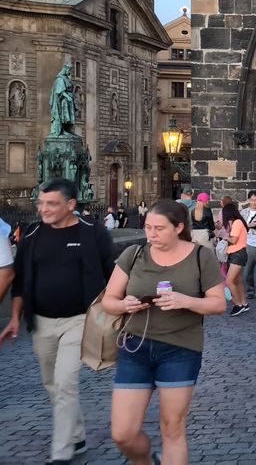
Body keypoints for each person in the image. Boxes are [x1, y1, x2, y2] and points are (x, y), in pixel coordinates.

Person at [0, 178, 115, 465]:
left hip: (80, 320)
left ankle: (61, 452)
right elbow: (21, 282)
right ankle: (76, 435)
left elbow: (112, 274)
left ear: (71, 205)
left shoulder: (93, 233)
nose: (43, 209)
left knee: (65, 382)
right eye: (41, 203)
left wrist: (114, 312)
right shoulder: (32, 233)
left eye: (51, 204)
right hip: (41, 322)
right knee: (51, 383)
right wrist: (15, 317)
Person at [101, 199, 226, 464]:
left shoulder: (201, 257)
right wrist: (123, 304)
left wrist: (186, 301)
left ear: (178, 227)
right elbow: (108, 301)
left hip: (180, 350)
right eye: (148, 227)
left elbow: (218, 303)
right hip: (135, 348)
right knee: (122, 433)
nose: (151, 234)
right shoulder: (133, 255)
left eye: (159, 228)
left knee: (172, 428)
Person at [222, 203, 250, 315]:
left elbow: (234, 240)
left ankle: (238, 305)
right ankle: (244, 303)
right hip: (238, 254)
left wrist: (225, 237)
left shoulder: (237, 223)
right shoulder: (237, 222)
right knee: (238, 281)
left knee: (229, 281)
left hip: (237, 254)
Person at [240, 191, 256, 300]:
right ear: (249, 200)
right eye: (252, 200)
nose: (254, 202)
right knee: (247, 271)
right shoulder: (243, 212)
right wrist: (248, 225)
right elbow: (240, 227)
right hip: (247, 243)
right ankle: (250, 290)